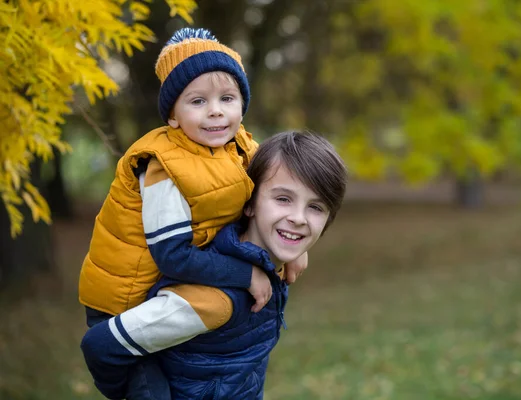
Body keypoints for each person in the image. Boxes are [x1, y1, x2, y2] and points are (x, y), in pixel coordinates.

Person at [78, 28, 307, 399]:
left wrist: (294, 249)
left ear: (241, 105)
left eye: (227, 98)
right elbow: (172, 255)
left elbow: (273, 202)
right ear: (172, 115)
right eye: (198, 101)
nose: (216, 110)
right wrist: (246, 274)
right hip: (123, 304)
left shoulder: (241, 147)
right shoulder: (163, 169)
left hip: (167, 293)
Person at [81, 131, 348, 399]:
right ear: (250, 202)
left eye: (316, 207)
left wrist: (294, 253)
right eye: (283, 199)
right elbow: (100, 345)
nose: (299, 218)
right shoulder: (215, 301)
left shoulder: (272, 265)